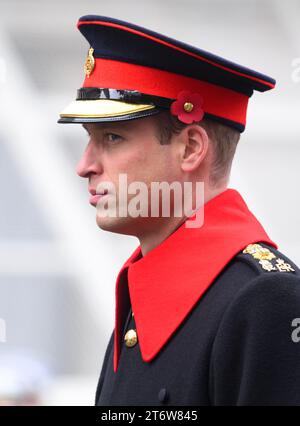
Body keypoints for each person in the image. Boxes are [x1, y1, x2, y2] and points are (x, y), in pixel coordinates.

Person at [58, 15, 300, 406]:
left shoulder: (267, 300)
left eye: (112, 137)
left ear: (190, 148)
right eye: (90, 140)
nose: (85, 165)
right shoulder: (147, 295)